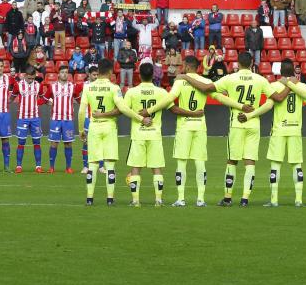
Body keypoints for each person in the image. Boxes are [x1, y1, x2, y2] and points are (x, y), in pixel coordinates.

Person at [181, 52, 275, 207]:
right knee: (250, 161)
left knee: (232, 160)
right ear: (252, 63)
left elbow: (206, 87)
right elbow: (273, 99)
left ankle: (228, 197)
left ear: (237, 63)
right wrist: (252, 114)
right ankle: (245, 199)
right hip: (253, 124)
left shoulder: (231, 78)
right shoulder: (260, 79)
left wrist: (186, 77)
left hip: (237, 123)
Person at [244, 59, 306, 207]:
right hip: (295, 129)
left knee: (275, 164)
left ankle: (274, 200)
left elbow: (268, 106)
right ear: (294, 71)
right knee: (297, 165)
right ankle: (298, 200)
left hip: (279, 130)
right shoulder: (301, 86)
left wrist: (250, 115)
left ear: (280, 71)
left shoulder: (275, 85)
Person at [147, 56, 213, 206]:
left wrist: (149, 110)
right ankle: (201, 199)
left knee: (181, 162)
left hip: (184, 126)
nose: (182, 67)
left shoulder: (180, 81)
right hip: (200, 125)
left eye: (183, 65)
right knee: (200, 162)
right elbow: (218, 95)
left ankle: (181, 198)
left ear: (188, 67)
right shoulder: (206, 81)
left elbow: (170, 98)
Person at [78, 59, 142, 205]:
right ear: (109, 72)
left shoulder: (88, 87)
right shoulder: (114, 88)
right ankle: (110, 199)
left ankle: (89, 199)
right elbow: (123, 108)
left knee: (93, 164)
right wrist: (139, 118)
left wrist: (81, 130)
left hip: (94, 127)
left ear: (98, 71)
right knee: (109, 165)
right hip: (109, 127)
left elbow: (81, 111)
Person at [121, 62, 170, 206]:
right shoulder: (161, 92)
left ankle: (135, 201)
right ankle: (158, 200)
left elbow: (124, 109)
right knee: (157, 168)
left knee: (136, 167)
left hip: (138, 134)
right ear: (153, 75)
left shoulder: (132, 92)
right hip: (155, 134)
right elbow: (170, 104)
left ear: (139, 74)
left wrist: (141, 118)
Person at [44, 66, 79, 174]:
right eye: (62, 72)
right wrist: (49, 102)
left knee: (68, 144)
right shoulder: (53, 87)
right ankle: (51, 167)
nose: (64, 74)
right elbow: (45, 98)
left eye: (66, 72)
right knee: (54, 143)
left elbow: (78, 99)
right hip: (56, 119)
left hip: (68, 120)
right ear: (58, 74)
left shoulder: (72, 86)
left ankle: (68, 167)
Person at [13, 66, 45, 173]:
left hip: (35, 118)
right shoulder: (18, 85)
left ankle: (38, 166)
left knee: (37, 142)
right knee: (21, 142)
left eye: (33, 78)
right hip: (22, 118)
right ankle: (18, 166)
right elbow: (12, 98)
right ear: (25, 75)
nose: (31, 80)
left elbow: (41, 98)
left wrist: (47, 101)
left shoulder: (38, 85)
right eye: (29, 78)